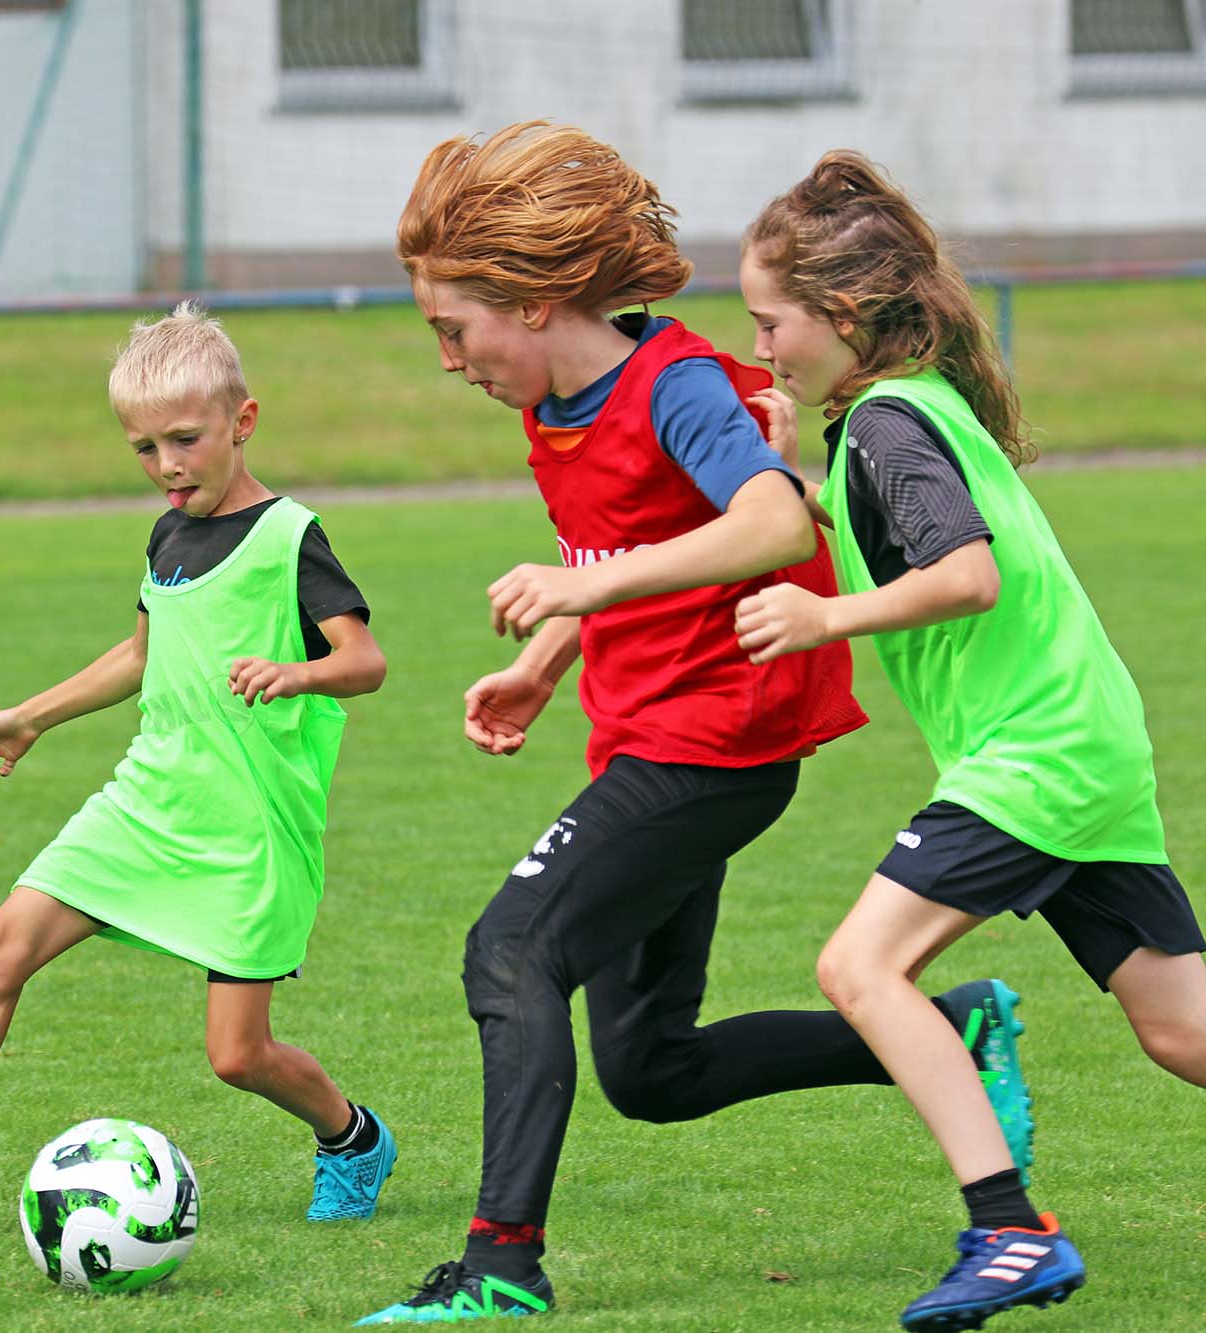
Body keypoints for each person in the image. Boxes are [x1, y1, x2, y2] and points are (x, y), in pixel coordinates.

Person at [357, 122, 1026, 1325]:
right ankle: (951, 1029)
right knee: (650, 1071)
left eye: (452, 330)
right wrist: (549, 659)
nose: (447, 359)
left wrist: (578, 592)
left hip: (714, 744)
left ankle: (499, 1267)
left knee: (509, 951)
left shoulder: (675, 384)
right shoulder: (554, 400)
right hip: (649, 736)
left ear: (533, 297)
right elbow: (626, 551)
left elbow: (774, 523)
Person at [0, 302, 398, 1239]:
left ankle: (353, 1139)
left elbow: (367, 661)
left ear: (244, 421)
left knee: (236, 1055)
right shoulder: (166, 537)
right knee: (1, 942)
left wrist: (298, 671)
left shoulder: (290, 538)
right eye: (145, 449)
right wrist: (30, 715)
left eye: (185, 440)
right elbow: (143, 655)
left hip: (249, 827)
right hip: (148, 800)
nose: (168, 467)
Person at [734, 150, 1206, 1331]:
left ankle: (1005, 1229)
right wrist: (793, 457)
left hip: (1035, 751)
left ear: (840, 314)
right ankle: (1004, 1229)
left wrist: (822, 616)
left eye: (768, 322)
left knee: (856, 968)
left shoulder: (891, 425)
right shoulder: (890, 416)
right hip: (1076, 745)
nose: (758, 346)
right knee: (1178, 1028)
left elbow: (963, 573)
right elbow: (874, 530)